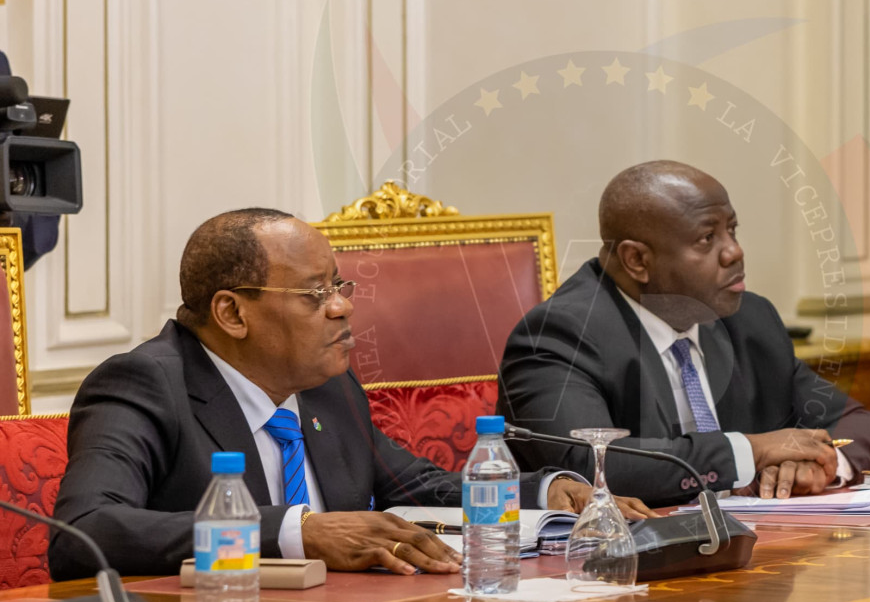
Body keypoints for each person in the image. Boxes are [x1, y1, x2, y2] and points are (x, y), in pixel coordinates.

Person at [49, 209, 654, 581]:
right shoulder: (145, 385)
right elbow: (85, 532)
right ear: (232, 313)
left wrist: (546, 492)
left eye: (338, 286)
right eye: (315, 293)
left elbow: (415, 487)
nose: (342, 307)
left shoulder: (327, 386)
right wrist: (297, 532)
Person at [498, 161, 870, 506]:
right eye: (707, 238)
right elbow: (595, 464)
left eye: (732, 230)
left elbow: (855, 422)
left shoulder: (750, 320)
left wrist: (823, 464)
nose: (734, 252)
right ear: (637, 260)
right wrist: (750, 451)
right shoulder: (559, 336)